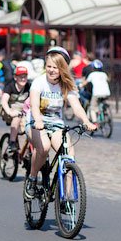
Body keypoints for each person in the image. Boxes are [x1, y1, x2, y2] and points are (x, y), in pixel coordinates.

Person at [26, 46, 97, 197]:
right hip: (36, 122)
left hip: (56, 124)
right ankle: (32, 178)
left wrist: (86, 121)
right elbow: (34, 106)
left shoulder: (66, 85)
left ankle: (67, 196)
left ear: (62, 68)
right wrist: (38, 121)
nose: (51, 70)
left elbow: (76, 106)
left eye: (55, 67)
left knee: (68, 155)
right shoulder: (38, 82)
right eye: (49, 66)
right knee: (44, 148)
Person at [0, 65, 31, 153]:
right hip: (9, 111)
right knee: (17, 117)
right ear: (15, 77)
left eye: (25, 76)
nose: (23, 79)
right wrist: (9, 111)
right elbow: (4, 101)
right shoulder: (10, 86)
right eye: (20, 76)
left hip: (24, 111)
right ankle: (12, 142)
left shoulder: (29, 86)